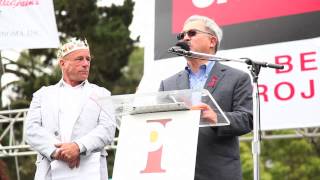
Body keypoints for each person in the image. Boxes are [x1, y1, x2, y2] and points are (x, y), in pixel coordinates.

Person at [159, 15, 253, 180]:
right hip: (176, 171)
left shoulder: (237, 78)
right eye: (181, 35)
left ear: (212, 41)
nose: (185, 37)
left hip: (218, 172)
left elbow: (247, 119)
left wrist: (217, 117)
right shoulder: (168, 84)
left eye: (192, 33)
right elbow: (160, 125)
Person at [25, 38, 116, 180]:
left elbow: (108, 129)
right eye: (79, 59)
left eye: (88, 59)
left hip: (91, 172)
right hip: (50, 171)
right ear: (62, 63)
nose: (86, 64)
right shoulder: (42, 95)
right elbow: (31, 131)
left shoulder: (102, 93)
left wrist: (77, 147)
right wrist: (59, 152)